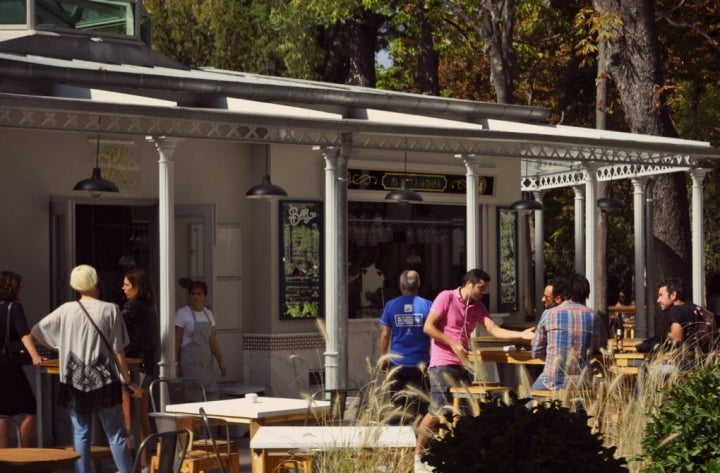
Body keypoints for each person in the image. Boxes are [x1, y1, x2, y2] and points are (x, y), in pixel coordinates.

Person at [414, 269, 536, 472]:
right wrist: (453, 343)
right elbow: (428, 327)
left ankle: (451, 456)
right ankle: (418, 455)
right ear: (469, 284)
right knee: (438, 410)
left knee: (464, 412)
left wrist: (521, 335)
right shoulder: (446, 297)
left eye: (485, 288)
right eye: (481, 287)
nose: (484, 292)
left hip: (464, 364)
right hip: (442, 362)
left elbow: (494, 330)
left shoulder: (477, 307)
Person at [31, 265, 142, 473]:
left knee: (80, 433)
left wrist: (60, 346)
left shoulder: (65, 310)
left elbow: (36, 331)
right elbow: (118, 350)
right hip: (104, 377)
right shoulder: (110, 309)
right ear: (94, 282)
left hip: (74, 378)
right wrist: (128, 382)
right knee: (115, 433)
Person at [531, 273, 606, 392]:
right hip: (582, 382)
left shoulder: (549, 314)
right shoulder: (593, 316)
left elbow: (535, 352)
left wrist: (554, 353)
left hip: (552, 381)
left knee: (526, 404)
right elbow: (601, 347)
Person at [378, 270, 433, 424]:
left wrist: (383, 357)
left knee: (396, 406)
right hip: (421, 364)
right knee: (422, 407)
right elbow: (434, 336)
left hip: (397, 364)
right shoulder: (428, 305)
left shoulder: (391, 305)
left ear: (401, 286)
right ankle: (420, 442)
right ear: (419, 285)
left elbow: (385, 335)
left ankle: (396, 442)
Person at [120, 267, 159, 467]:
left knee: (129, 417)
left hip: (135, 365)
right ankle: (146, 464)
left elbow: (115, 324)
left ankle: (130, 464)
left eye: (127, 285)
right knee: (142, 416)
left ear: (137, 286)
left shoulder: (133, 307)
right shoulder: (151, 306)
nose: (123, 288)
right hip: (148, 366)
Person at [0, 271, 42, 447]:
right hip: (8, 365)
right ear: (13, 287)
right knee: (30, 409)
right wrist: (35, 355)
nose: (22, 289)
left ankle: (3, 459)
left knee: (2, 412)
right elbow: (24, 333)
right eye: (20, 286)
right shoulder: (14, 307)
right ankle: (21, 454)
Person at [175, 279, 227, 400]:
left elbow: (212, 341)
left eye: (199, 294)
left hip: (206, 363)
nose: (196, 297)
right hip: (189, 363)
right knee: (194, 396)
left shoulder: (208, 314)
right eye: (193, 293)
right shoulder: (182, 313)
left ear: (205, 296)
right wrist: (175, 363)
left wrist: (221, 361)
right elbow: (177, 340)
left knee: (212, 394)